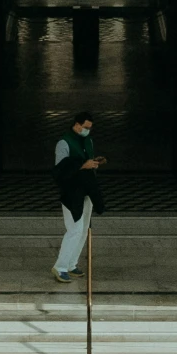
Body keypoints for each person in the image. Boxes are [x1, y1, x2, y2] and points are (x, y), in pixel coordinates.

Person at [52, 111, 104, 281]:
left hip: (86, 189)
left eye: (90, 128)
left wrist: (93, 163)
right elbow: (60, 171)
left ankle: (71, 264)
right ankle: (60, 267)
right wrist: (83, 165)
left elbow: (86, 161)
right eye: (85, 127)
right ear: (76, 124)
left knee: (83, 230)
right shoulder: (64, 143)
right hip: (72, 192)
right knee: (74, 229)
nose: (87, 130)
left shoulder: (87, 140)